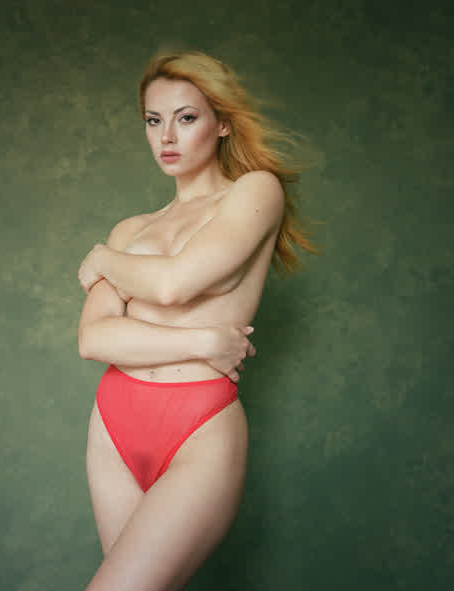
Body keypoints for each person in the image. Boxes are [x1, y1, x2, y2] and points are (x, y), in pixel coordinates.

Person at [77, 48, 318, 591]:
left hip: (198, 426)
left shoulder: (255, 192)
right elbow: (94, 339)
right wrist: (205, 340)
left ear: (222, 123)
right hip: (113, 423)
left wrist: (104, 261)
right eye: (153, 120)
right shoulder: (129, 230)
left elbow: (174, 283)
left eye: (186, 118)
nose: (167, 136)